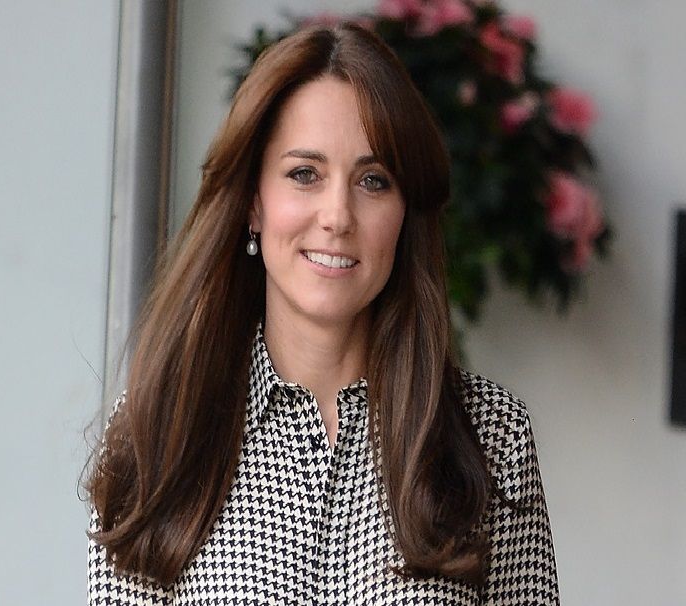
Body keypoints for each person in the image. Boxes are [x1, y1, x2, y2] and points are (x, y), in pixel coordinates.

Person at [85, 23, 559, 605]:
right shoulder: (159, 426)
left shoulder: (491, 437)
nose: (337, 216)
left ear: (404, 213)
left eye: (373, 180)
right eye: (304, 174)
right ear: (253, 201)